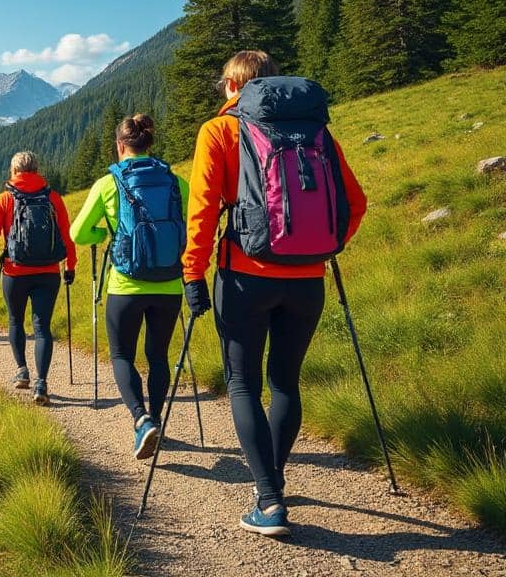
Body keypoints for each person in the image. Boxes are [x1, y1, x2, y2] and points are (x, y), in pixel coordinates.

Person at [183, 50, 366, 537]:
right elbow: (356, 201)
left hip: (244, 276)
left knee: (242, 382)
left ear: (232, 85)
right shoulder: (317, 132)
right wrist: (324, 245)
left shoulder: (219, 131)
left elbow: (202, 211)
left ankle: (268, 500)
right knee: (286, 381)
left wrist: (192, 273)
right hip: (308, 280)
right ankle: (274, 480)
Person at [70, 115, 189, 459]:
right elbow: (190, 225)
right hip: (168, 283)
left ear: (120, 145)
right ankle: (157, 418)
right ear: (149, 143)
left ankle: (141, 420)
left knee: (122, 354)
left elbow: (79, 233)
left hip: (125, 284)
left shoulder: (109, 184)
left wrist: (104, 235)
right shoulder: (175, 182)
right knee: (158, 356)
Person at [0, 152, 77, 405]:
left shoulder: (4, 199)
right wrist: (70, 266)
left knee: (15, 321)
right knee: (42, 327)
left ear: (13, 171)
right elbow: (67, 235)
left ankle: (22, 370)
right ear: (37, 169)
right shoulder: (53, 198)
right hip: (49, 272)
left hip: (15, 271)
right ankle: (42, 383)